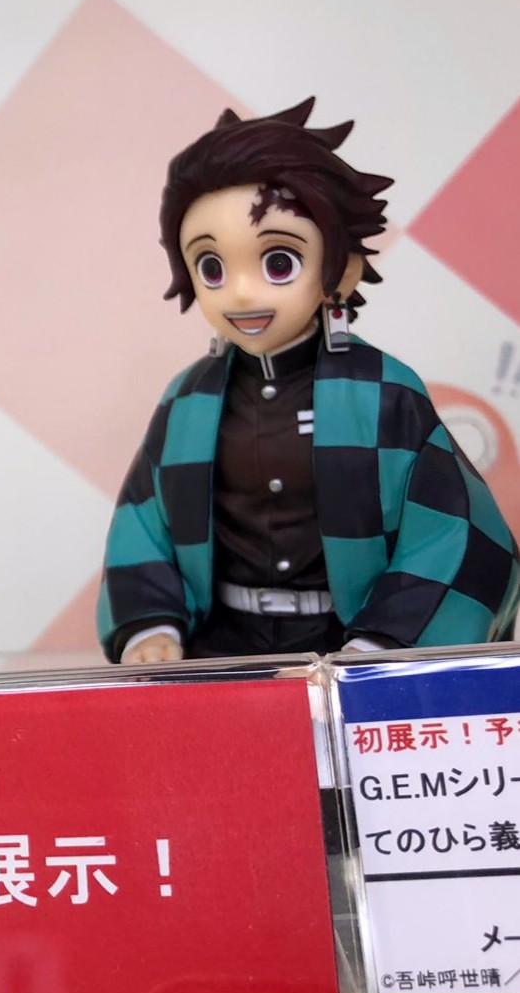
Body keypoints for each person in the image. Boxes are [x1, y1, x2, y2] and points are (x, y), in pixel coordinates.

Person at [99, 99, 520, 663]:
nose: (240, 293)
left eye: (279, 262)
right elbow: (143, 521)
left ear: (340, 268)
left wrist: (386, 639)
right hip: (220, 648)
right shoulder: (187, 399)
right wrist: (151, 624)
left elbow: (453, 531)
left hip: (347, 645)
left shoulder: (384, 392)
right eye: (212, 267)